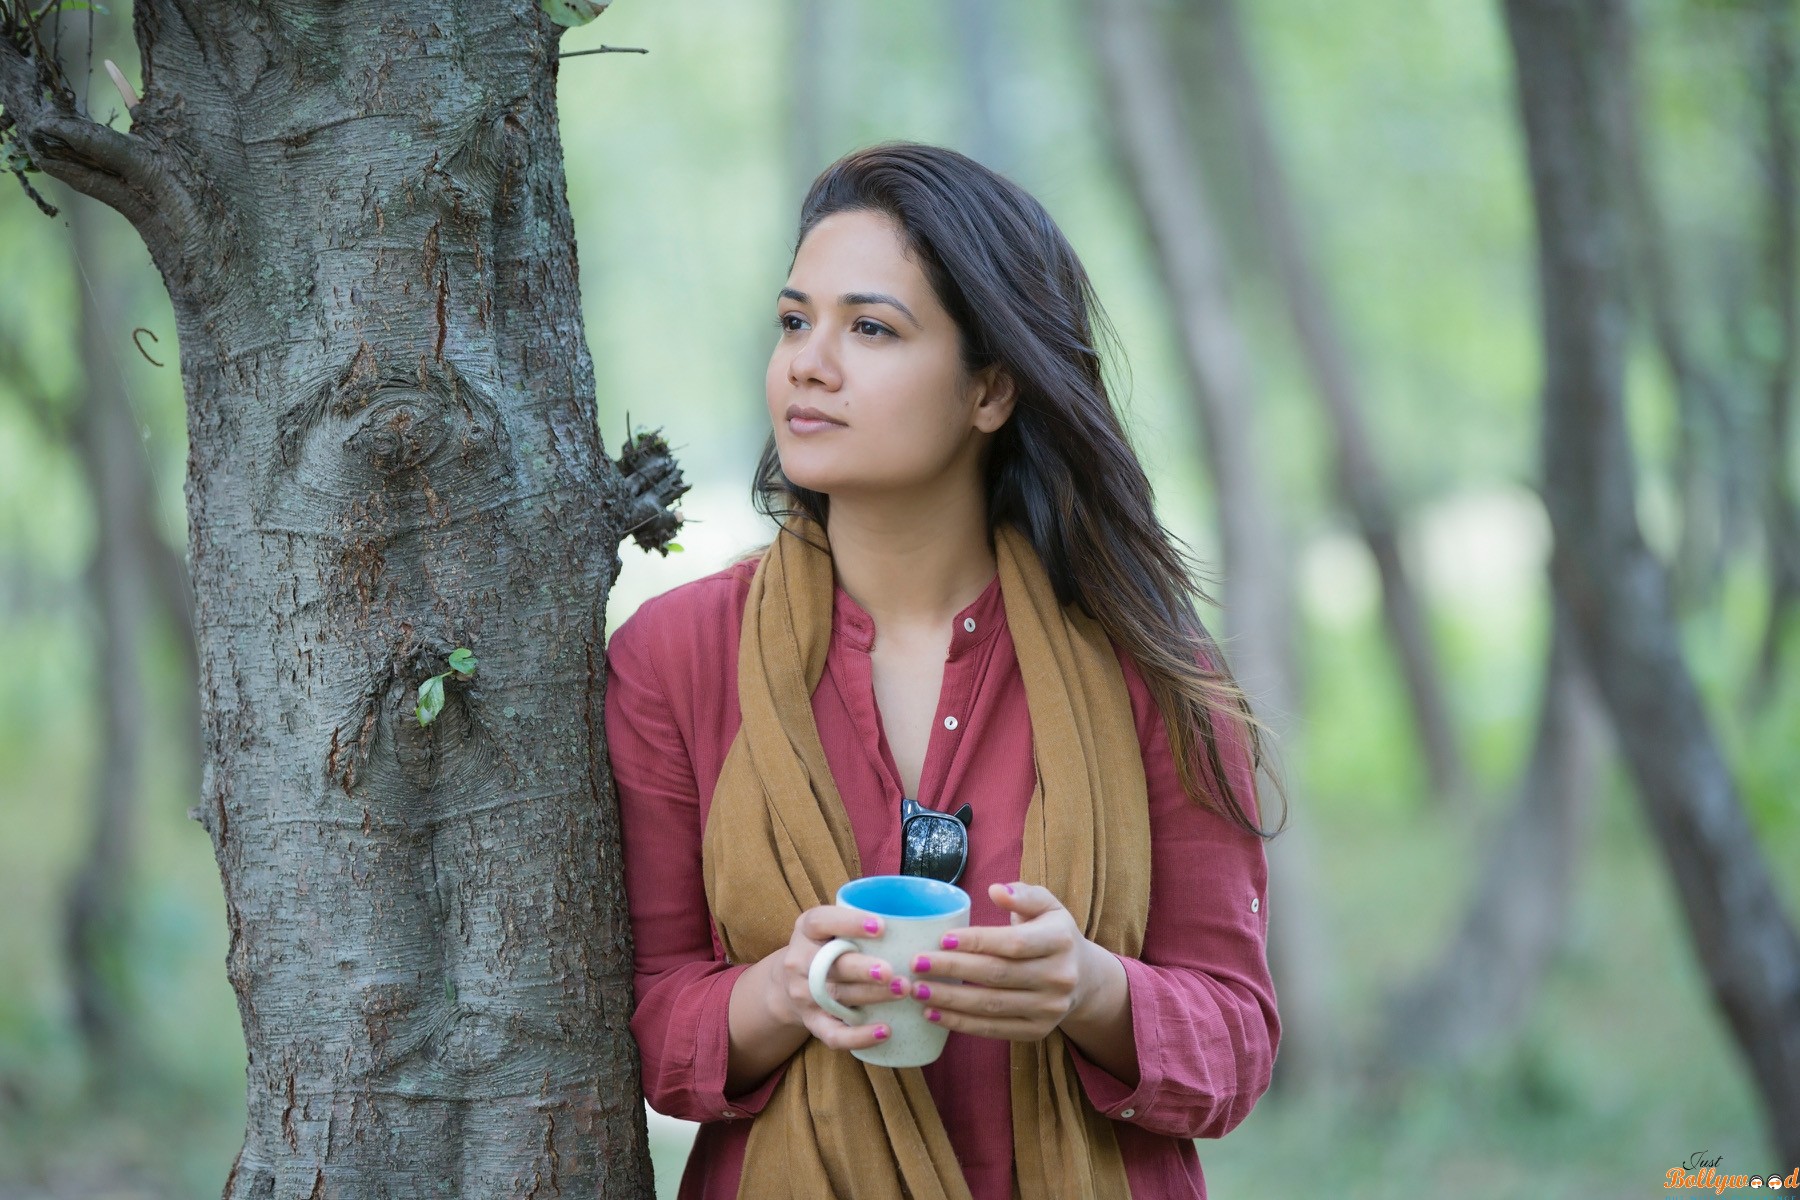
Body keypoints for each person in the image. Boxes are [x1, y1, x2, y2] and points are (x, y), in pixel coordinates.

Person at [603, 140, 1285, 1200]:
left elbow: (1235, 1044)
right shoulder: (675, 658)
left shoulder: (1147, 663)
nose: (809, 363)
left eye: (870, 328)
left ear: (991, 391)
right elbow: (650, 1026)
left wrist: (1089, 989)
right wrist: (787, 989)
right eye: (795, 322)